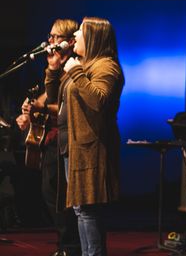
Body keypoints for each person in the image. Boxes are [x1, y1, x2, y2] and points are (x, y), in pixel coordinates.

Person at [45, 17, 124, 256]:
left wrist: (76, 72)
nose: (75, 36)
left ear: (93, 38)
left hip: (91, 147)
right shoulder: (83, 64)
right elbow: (54, 100)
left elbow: (98, 101)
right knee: (81, 210)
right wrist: (54, 68)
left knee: (88, 210)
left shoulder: (106, 67)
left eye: (80, 32)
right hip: (73, 145)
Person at [16, 19, 81, 256]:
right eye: (50, 36)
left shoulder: (75, 68)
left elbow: (63, 106)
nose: (50, 42)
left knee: (58, 196)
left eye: (55, 37)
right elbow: (48, 98)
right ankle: (66, 246)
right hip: (51, 140)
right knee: (51, 194)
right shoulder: (56, 68)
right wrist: (30, 110)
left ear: (69, 42)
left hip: (66, 141)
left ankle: (71, 247)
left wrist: (40, 109)